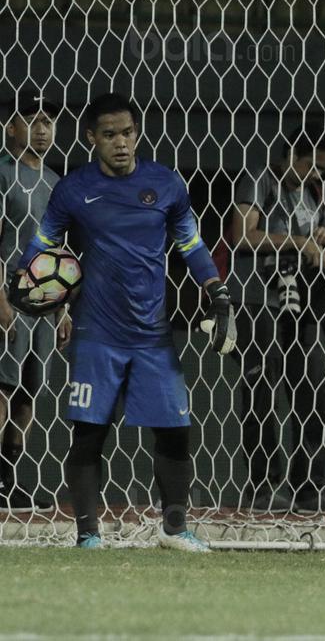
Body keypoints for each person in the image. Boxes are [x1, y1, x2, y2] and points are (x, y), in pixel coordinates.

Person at [6, 92, 236, 550]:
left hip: (152, 333)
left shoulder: (165, 183)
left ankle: (174, 529)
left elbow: (190, 245)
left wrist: (217, 291)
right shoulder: (72, 189)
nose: (121, 143)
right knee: (90, 432)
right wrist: (23, 282)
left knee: (174, 432)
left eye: (127, 133)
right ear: (92, 138)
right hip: (96, 333)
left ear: (137, 133)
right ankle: (88, 535)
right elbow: (43, 244)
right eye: (109, 134)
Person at [226, 124, 325, 514]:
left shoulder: (313, 195)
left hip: (301, 303)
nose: (318, 175)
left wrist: (321, 237)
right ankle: (262, 486)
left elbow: (311, 240)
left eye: (324, 170)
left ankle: (307, 486)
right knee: (261, 389)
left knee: (315, 390)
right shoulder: (260, 179)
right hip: (258, 296)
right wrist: (299, 241)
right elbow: (241, 235)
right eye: (313, 165)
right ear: (290, 155)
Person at [0, 89, 70, 513]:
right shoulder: (3, 173)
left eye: (49, 121)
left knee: (30, 389)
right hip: (10, 294)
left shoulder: (55, 182)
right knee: (3, 386)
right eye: (34, 119)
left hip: (44, 298)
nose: (43, 129)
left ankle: (9, 481)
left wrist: (64, 307)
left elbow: (59, 250)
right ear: (13, 127)